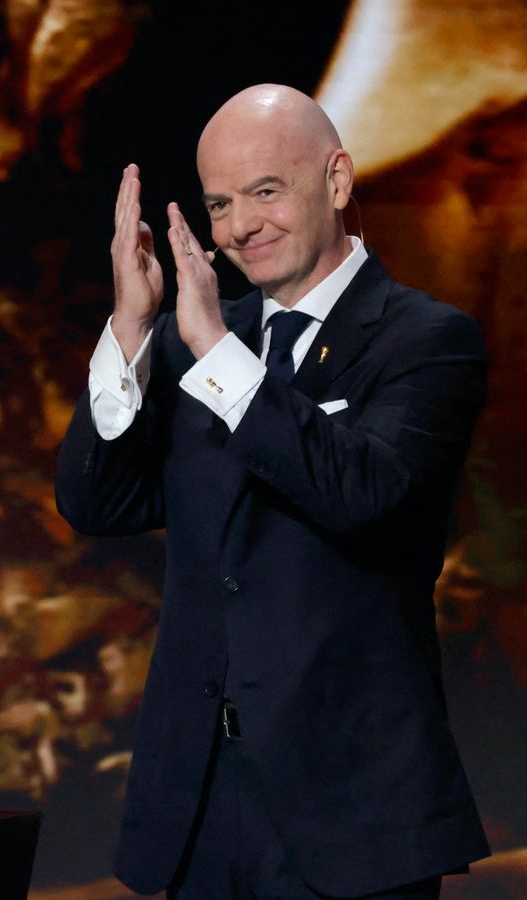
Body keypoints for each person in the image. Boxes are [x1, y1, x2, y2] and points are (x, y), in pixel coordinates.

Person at [56, 84, 491, 897]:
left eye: (265, 192)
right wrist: (131, 326)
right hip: (197, 805)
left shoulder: (426, 340)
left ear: (336, 180)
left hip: (351, 812)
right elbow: (98, 502)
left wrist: (219, 353)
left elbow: (363, 493)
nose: (239, 227)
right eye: (220, 204)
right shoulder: (189, 343)